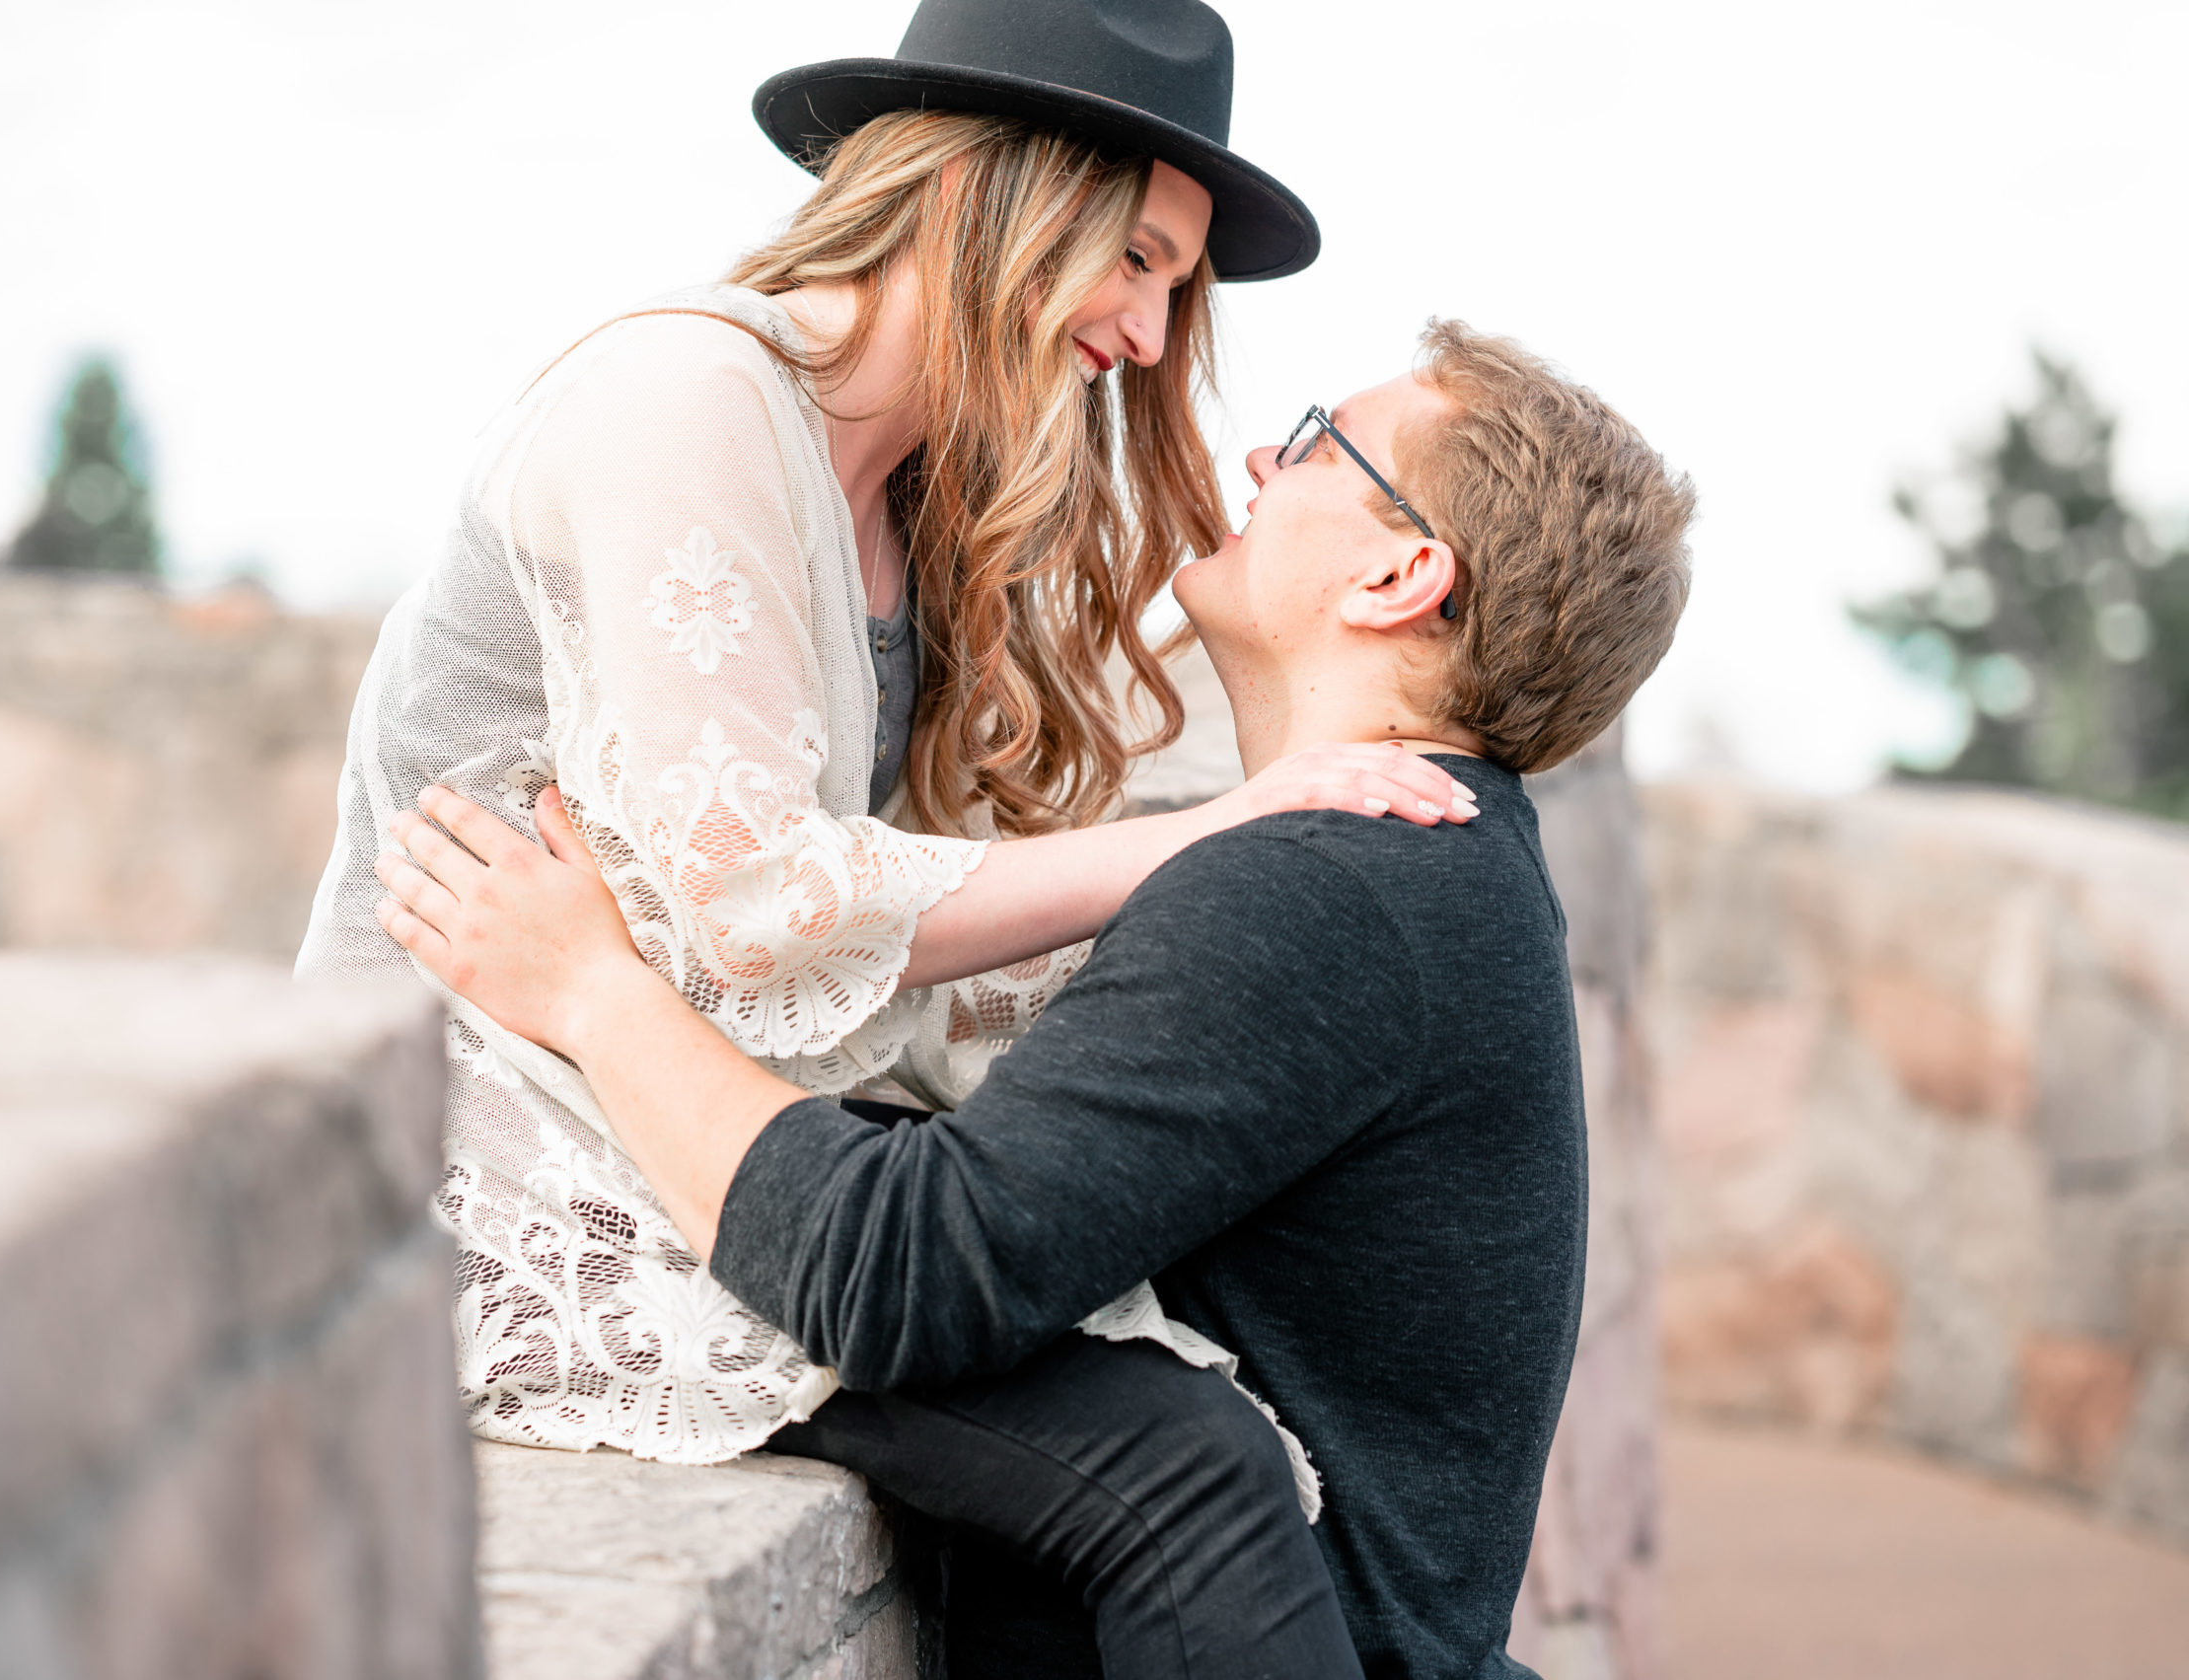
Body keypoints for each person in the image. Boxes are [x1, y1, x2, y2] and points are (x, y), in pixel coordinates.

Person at [302, 0, 1474, 1673]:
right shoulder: (683, 396)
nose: (1149, 335)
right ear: (991, 193)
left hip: (698, 1129)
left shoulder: (915, 487)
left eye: (1172, 287)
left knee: (1154, 1392)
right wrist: (1217, 838)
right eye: (1135, 259)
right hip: (518, 1171)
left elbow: (921, 942)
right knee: (1182, 1468)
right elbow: (759, 907)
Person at [370, 320, 1698, 1678]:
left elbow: (914, 1272)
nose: (1256, 455)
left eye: (1313, 445)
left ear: (1402, 572)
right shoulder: (1444, 861)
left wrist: (592, 989)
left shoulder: (1341, 888)